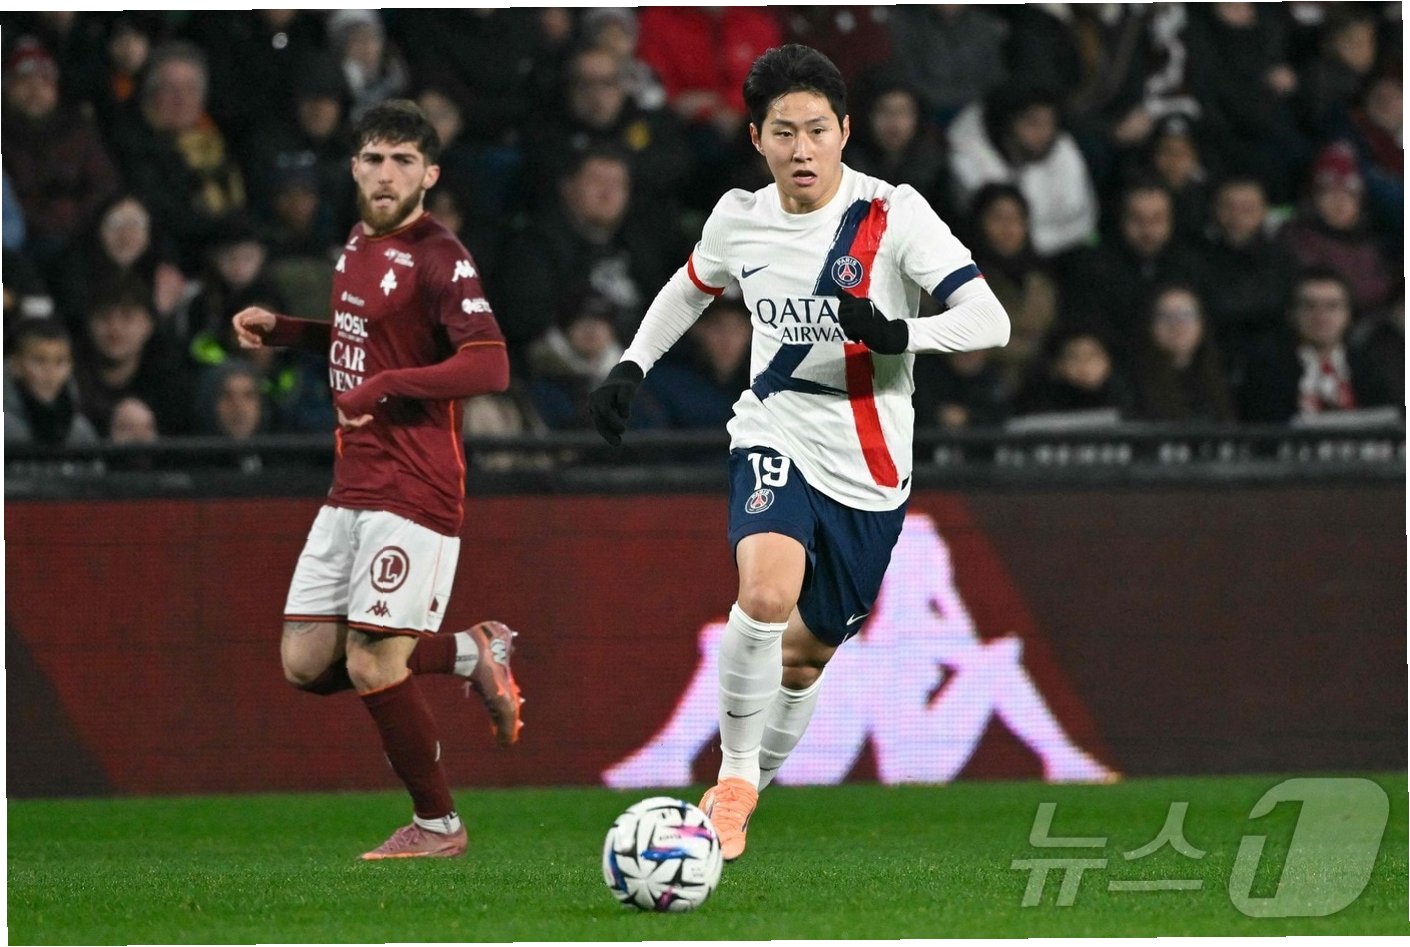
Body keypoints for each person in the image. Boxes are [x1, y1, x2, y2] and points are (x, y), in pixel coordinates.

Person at [587, 45, 1009, 861]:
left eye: (817, 129)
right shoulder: (739, 217)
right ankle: (733, 778)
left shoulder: (893, 214)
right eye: (784, 132)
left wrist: (900, 332)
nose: (802, 148)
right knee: (765, 592)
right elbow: (691, 286)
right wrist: (633, 365)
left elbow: (991, 319)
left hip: (870, 462)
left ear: (845, 131)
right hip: (773, 427)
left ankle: (747, 788)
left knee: (806, 657)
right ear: (757, 138)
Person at [229, 100, 524, 860]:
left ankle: (438, 826)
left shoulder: (441, 255)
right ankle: (470, 652)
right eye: (373, 158)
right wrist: (290, 333)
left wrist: (388, 386)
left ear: (430, 174)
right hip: (352, 482)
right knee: (305, 662)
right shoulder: (358, 243)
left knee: (370, 659)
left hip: (417, 484)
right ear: (354, 167)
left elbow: (490, 363)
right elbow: (368, 341)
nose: (385, 173)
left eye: (402, 160)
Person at [4, 317, 100, 447]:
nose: (50, 372)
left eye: (60, 361)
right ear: (16, 366)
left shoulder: (79, 431)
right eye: (39, 360)